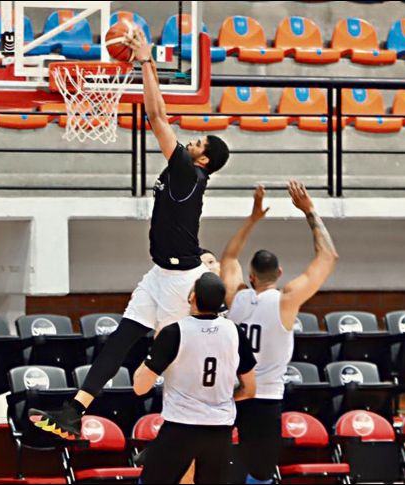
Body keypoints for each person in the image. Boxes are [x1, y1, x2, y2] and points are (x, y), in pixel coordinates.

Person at [29, 27, 230, 439]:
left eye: (197, 142)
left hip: (180, 282)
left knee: (174, 358)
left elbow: (157, 116)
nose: (189, 141)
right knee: (120, 341)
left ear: (204, 158)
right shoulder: (187, 175)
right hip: (160, 274)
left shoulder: (186, 172)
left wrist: (145, 61)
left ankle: (192, 425)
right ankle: (73, 412)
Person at [220, 181, 339, 485]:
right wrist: (309, 210)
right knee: (259, 474)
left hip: (230, 394)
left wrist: (253, 218)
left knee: (217, 465)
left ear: (250, 275)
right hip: (265, 398)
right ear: (280, 273)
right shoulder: (286, 300)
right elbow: (328, 258)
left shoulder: (236, 296)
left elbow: (229, 257)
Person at [133, 272, 257, 484]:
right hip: (220, 430)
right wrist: (220, 402)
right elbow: (250, 389)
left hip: (181, 428)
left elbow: (140, 387)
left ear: (191, 297)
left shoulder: (174, 332)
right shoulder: (235, 332)